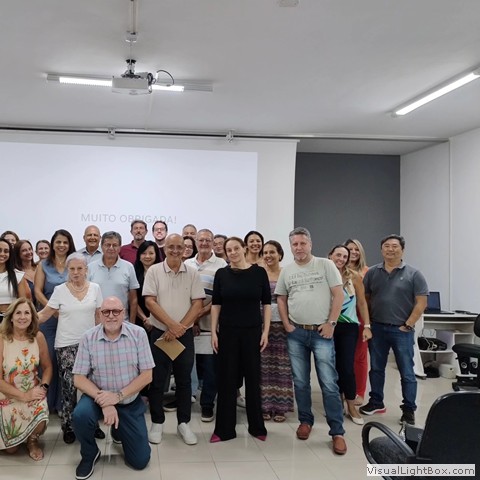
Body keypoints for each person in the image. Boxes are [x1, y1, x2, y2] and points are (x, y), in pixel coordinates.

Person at [275, 227, 347, 455]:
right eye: (295, 244)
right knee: (300, 382)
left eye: (302, 243)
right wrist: (287, 324)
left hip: (321, 333)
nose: (299, 248)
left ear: (310, 244)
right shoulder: (287, 271)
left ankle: (337, 432)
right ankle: (305, 421)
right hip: (296, 333)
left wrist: (331, 323)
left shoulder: (326, 265)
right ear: (291, 247)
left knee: (329, 383)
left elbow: (339, 294)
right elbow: (281, 298)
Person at [72, 296, 154, 479]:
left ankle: (119, 430)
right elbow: (78, 378)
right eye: (106, 312)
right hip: (97, 397)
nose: (111, 316)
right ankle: (90, 453)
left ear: (123, 313)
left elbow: (147, 375)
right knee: (80, 415)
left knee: (140, 461)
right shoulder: (88, 337)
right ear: (99, 315)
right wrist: (106, 402)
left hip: (128, 400)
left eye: (116, 311)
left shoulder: (138, 334)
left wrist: (117, 397)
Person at [360, 234, 428, 426]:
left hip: (402, 330)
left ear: (402, 250)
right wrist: (368, 324)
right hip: (377, 328)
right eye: (387, 246)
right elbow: (365, 299)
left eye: (395, 246)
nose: (390, 249)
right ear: (381, 250)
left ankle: (408, 409)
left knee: (407, 372)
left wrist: (408, 324)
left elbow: (421, 302)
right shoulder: (372, 273)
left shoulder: (414, 274)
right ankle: (376, 401)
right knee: (376, 368)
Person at [143, 234, 205, 445]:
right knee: (157, 381)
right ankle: (157, 422)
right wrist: (171, 325)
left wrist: (180, 328)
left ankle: (183, 423)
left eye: (179, 247)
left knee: (184, 380)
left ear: (185, 249)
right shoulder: (154, 271)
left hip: (183, 335)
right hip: (160, 333)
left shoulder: (192, 272)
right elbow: (150, 302)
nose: (176, 250)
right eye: (171, 247)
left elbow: (197, 304)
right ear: (165, 248)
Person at [210, 236, 271, 442]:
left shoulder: (259, 272)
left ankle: (257, 427)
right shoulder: (221, 274)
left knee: (253, 379)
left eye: (236, 248)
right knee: (227, 380)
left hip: (252, 332)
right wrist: (214, 332)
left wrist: (265, 331)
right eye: (229, 250)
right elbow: (216, 304)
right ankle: (224, 430)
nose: (233, 252)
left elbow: (266, 304)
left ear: (244, 249)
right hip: (227, 332)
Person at [38, 253, 103, 444]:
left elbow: (99, 316)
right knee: (69, 387)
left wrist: (101, 341)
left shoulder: (95, 288)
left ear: (86, 270)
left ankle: (93, 423)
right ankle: (67, 424)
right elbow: (45, 314)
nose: (75, 272)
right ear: (68, 270)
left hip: (90, 345)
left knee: (92, 385)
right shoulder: (59, 290)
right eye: (72, 269)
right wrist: (22, 321)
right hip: (65, 344)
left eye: (79, 268)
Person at [0, 298, 52, 461]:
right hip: (7, 394)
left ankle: (32, 440)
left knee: (40, 410)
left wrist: (43, 387)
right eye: (18, 313)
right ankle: (18, 438)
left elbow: (48, 367)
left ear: (32, 317)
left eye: (27, 313)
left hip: (33, 390)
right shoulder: (1, 339)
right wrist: (23, 396)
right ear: (11, 317)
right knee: (11, 450)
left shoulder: (38, 337)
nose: (22, 317)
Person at [184, 229, 227, 422]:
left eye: (208, 240)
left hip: (211, 325)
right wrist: (192, 320)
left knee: (211, 368)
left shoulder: (221, 264)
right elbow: (183, 294)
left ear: (213, 243)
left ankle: (207, 404)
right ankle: (185, 400)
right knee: (187, 366)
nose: (204, 243)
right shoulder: (187, 264)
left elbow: (220, 296)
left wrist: (199, 314)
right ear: (195, 241)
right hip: (187, 324)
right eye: (200, 240)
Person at [328, 244, 372, 425]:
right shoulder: (323, 275)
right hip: (327, 326)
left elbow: (361, 303)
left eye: (344, 256)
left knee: (347, 366)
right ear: (330, 256)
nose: (341, 259)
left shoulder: (354, 277)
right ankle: (337, 402)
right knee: (331, 367)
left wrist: (367, 326)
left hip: (348, 327)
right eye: (338, 255)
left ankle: (351, 406)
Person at [34, 229, 76, 413]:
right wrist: (52, 309)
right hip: (48, 319)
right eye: (58, 242)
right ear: (53, 244)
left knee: (65, 363)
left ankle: (62, 404)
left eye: (65, 242)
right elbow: (37, 291)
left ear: (70, 244)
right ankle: (46, 403)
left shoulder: (74, 264)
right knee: (48, 359)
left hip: (69, 318)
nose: (61, 245)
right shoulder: (43, 265)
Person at [260, 240, 294, 423]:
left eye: (272, 252)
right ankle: (264, 406)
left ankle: (281, 407)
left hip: (283, 325)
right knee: (263, 366)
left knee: (282, 366)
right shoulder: (258, 273)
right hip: (261, 326)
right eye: (265, 252)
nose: (268, 255)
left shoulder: (286, 273)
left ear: (280, 254)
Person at [88, 231, 139, 323]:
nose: (111, 248)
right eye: (107, 245)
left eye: (115, 245)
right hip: (97, 322)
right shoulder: (90, 267)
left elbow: (133, 299)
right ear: (102, 246)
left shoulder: (128, 267)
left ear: (120, 247)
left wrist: (132, 324)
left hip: (122, 322)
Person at [344, 238, 369, 405]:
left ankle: (359, 392)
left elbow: (365, 300)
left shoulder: (367, 272)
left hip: (360, 318)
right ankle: (343, 391)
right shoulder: (337, 270)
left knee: (359, 357)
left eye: (356, 249)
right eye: (350, 249)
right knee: (342, 357)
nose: (353, 252)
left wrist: (367, 323)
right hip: (342, 319)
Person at [133, 240, 161, 332]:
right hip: (139, 320)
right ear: (139, 255)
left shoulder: (163, 273)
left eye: (151, 253)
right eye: (144, 253)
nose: (147, 256)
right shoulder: (133, 273)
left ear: (156, 255)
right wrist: (145, 319)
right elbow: (133, 300)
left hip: (160, 320)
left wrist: (153, 319)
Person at [0, 238, 28, 321]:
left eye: (6, 251)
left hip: (10, 319)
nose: (2, 254)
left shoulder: (18, 275)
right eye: (0, 250)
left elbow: (23, 302)